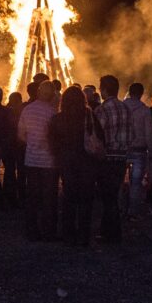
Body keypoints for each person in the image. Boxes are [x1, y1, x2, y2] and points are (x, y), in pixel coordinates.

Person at [48, 86, 98, 246]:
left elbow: (52, 141)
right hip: (86, 162)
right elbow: (99, 137)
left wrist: (59, 156)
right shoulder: (89, 116)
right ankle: (84, 235)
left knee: (69, 197)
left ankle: (68, 235)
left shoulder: (58, 118)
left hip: (67, 161)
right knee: (85, 199)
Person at [94, 75, 132, 243]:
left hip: (106, 159)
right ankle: (108, 230)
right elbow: (132, 135)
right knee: (113, 194)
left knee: (107, 197)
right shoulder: (126, 109)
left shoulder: (102, 110)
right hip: (121, 157)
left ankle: (112, 234)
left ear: (104, 89)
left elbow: (97, 135)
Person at [18, 81, 58, 241]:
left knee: (32, 196)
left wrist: (31, 144)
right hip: (49, 162)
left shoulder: (27, 110)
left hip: (31, 160)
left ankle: (32, 231)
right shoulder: (53, 112)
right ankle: (49, 232)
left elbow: (20, 134)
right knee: (49, 197)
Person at [122, 83, 152, 220]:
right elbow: (148, 133)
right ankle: (132, 212)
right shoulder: (145, 110)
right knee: (135, 182)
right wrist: (150, 149)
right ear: (141, 93)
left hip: (122, 148)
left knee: (120, 180)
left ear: (129, 92)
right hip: (139, 149)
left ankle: (119, 208)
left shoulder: (121, 107)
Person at [7, 92, 26, 206]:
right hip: (20, 146)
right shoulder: (24, 110)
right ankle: (21, 196)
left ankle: (11, 196)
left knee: (10, 172)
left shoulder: (7, 111)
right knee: (21, 172)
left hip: (10, 146)